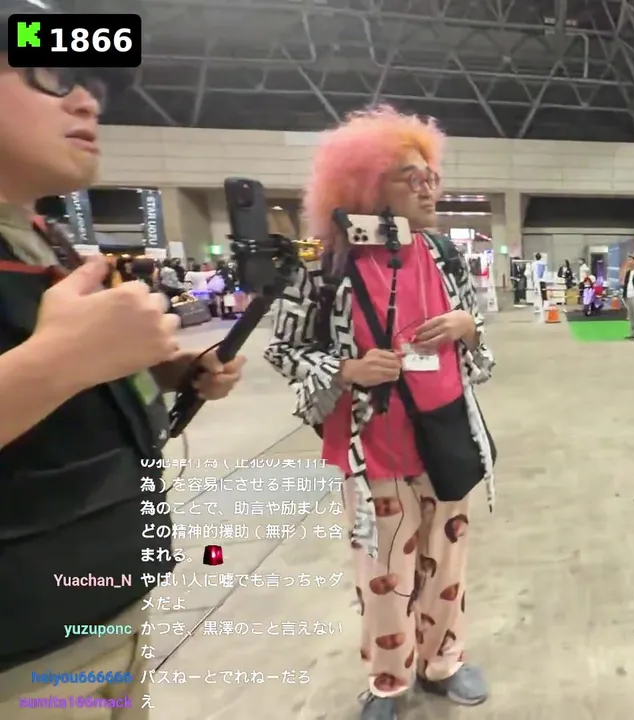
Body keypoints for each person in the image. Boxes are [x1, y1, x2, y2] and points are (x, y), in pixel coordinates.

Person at [0, 2, 246, 714]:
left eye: (94, 84)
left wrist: (164, 369)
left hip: (99, 612)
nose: (86, 101)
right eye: (50, 73)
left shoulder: (43, 237)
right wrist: (57, 363)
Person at [263, 105, 496, 720]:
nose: (428, 188)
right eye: (409, 177)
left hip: (445, 436)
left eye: (431, 175)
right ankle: (389, 681)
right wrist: (347, 369)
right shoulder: (324, 264)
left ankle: (444, 662)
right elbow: (283, 349)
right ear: (365, 187)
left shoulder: (445, 256)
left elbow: (480, 345)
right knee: (385, 573)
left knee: (447, 564)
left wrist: (469, 326)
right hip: (375, 451)